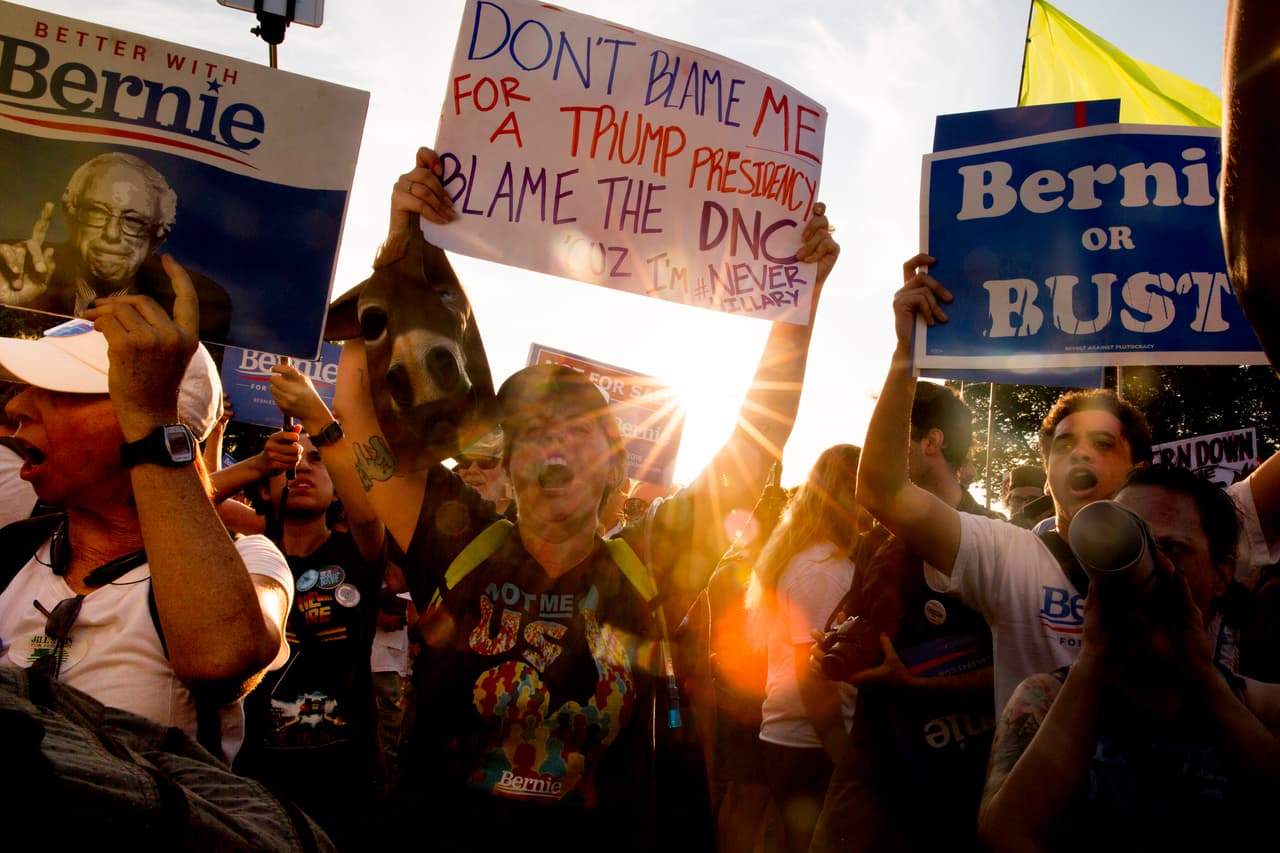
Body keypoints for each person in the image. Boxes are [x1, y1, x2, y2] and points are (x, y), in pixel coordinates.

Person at [329, 146, 840, 848]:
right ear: (505, 463)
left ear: (612, 472)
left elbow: (759, 441)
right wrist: (399, 248)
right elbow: (356, 409)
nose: (555, 449)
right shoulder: (454, 536)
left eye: (579, 434)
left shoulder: (650, 560)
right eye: (533, 433)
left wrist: (800, 297)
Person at [857, 254, 1280, 714]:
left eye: (1103, 443)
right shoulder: (1010, 557)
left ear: (1138, 465)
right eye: (1063, 445)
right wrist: (906, 355)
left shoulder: (1196, 528)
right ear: (1047, 468)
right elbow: (883, 492)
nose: (1080, 453)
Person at [0, 258, 290, 760]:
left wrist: (154, 428)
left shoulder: (249, 561)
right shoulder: (9, 553)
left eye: (60, 392)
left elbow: (223, 659)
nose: (18, 407)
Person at [979, 465, 1280, 851]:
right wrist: (1092, 662)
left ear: (1221, 573)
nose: (1141, 565)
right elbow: (1006, 836)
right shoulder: (1042, 700)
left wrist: (1201, 678)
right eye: (1122, 545)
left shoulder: (1264, 706)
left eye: (1170, 549)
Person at [811, 381, 997, 853]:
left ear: (930, 443)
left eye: (890, 437)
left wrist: (921, 686)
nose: (875, 454)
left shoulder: (997, 539)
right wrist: (837, 647)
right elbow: (862, 631)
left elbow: (1027, 667)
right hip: (875, 768)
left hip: (963, 776)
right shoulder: (874, 542)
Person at [234, 363, 389, 851]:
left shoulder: (358, 551)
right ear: (264, 487)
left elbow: (368, 505)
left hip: (341, 775)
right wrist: (252, 463)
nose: (302, 469)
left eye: (317, 463)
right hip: (245, 771)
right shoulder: (238, 554)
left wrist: (317, 418)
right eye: (289, 465)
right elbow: (185, 500)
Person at [744, 444, 862, 853]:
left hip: (800, 740)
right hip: (810, 744)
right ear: (848, 493)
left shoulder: (816, 558)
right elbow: (810, 675)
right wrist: (847, 759)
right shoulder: (822, 567)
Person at [0, 152, 232, 344]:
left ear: (157, 238)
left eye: (134, 222)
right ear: (71, 215)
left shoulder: (202, 304)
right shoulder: (14, 270)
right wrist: (7, 308)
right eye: (96, 212)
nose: (111, 234)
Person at [453, 426, 514, 518]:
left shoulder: (525, 521)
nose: (472, 470)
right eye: (465, 461)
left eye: (485, 462)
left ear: (508, 471)